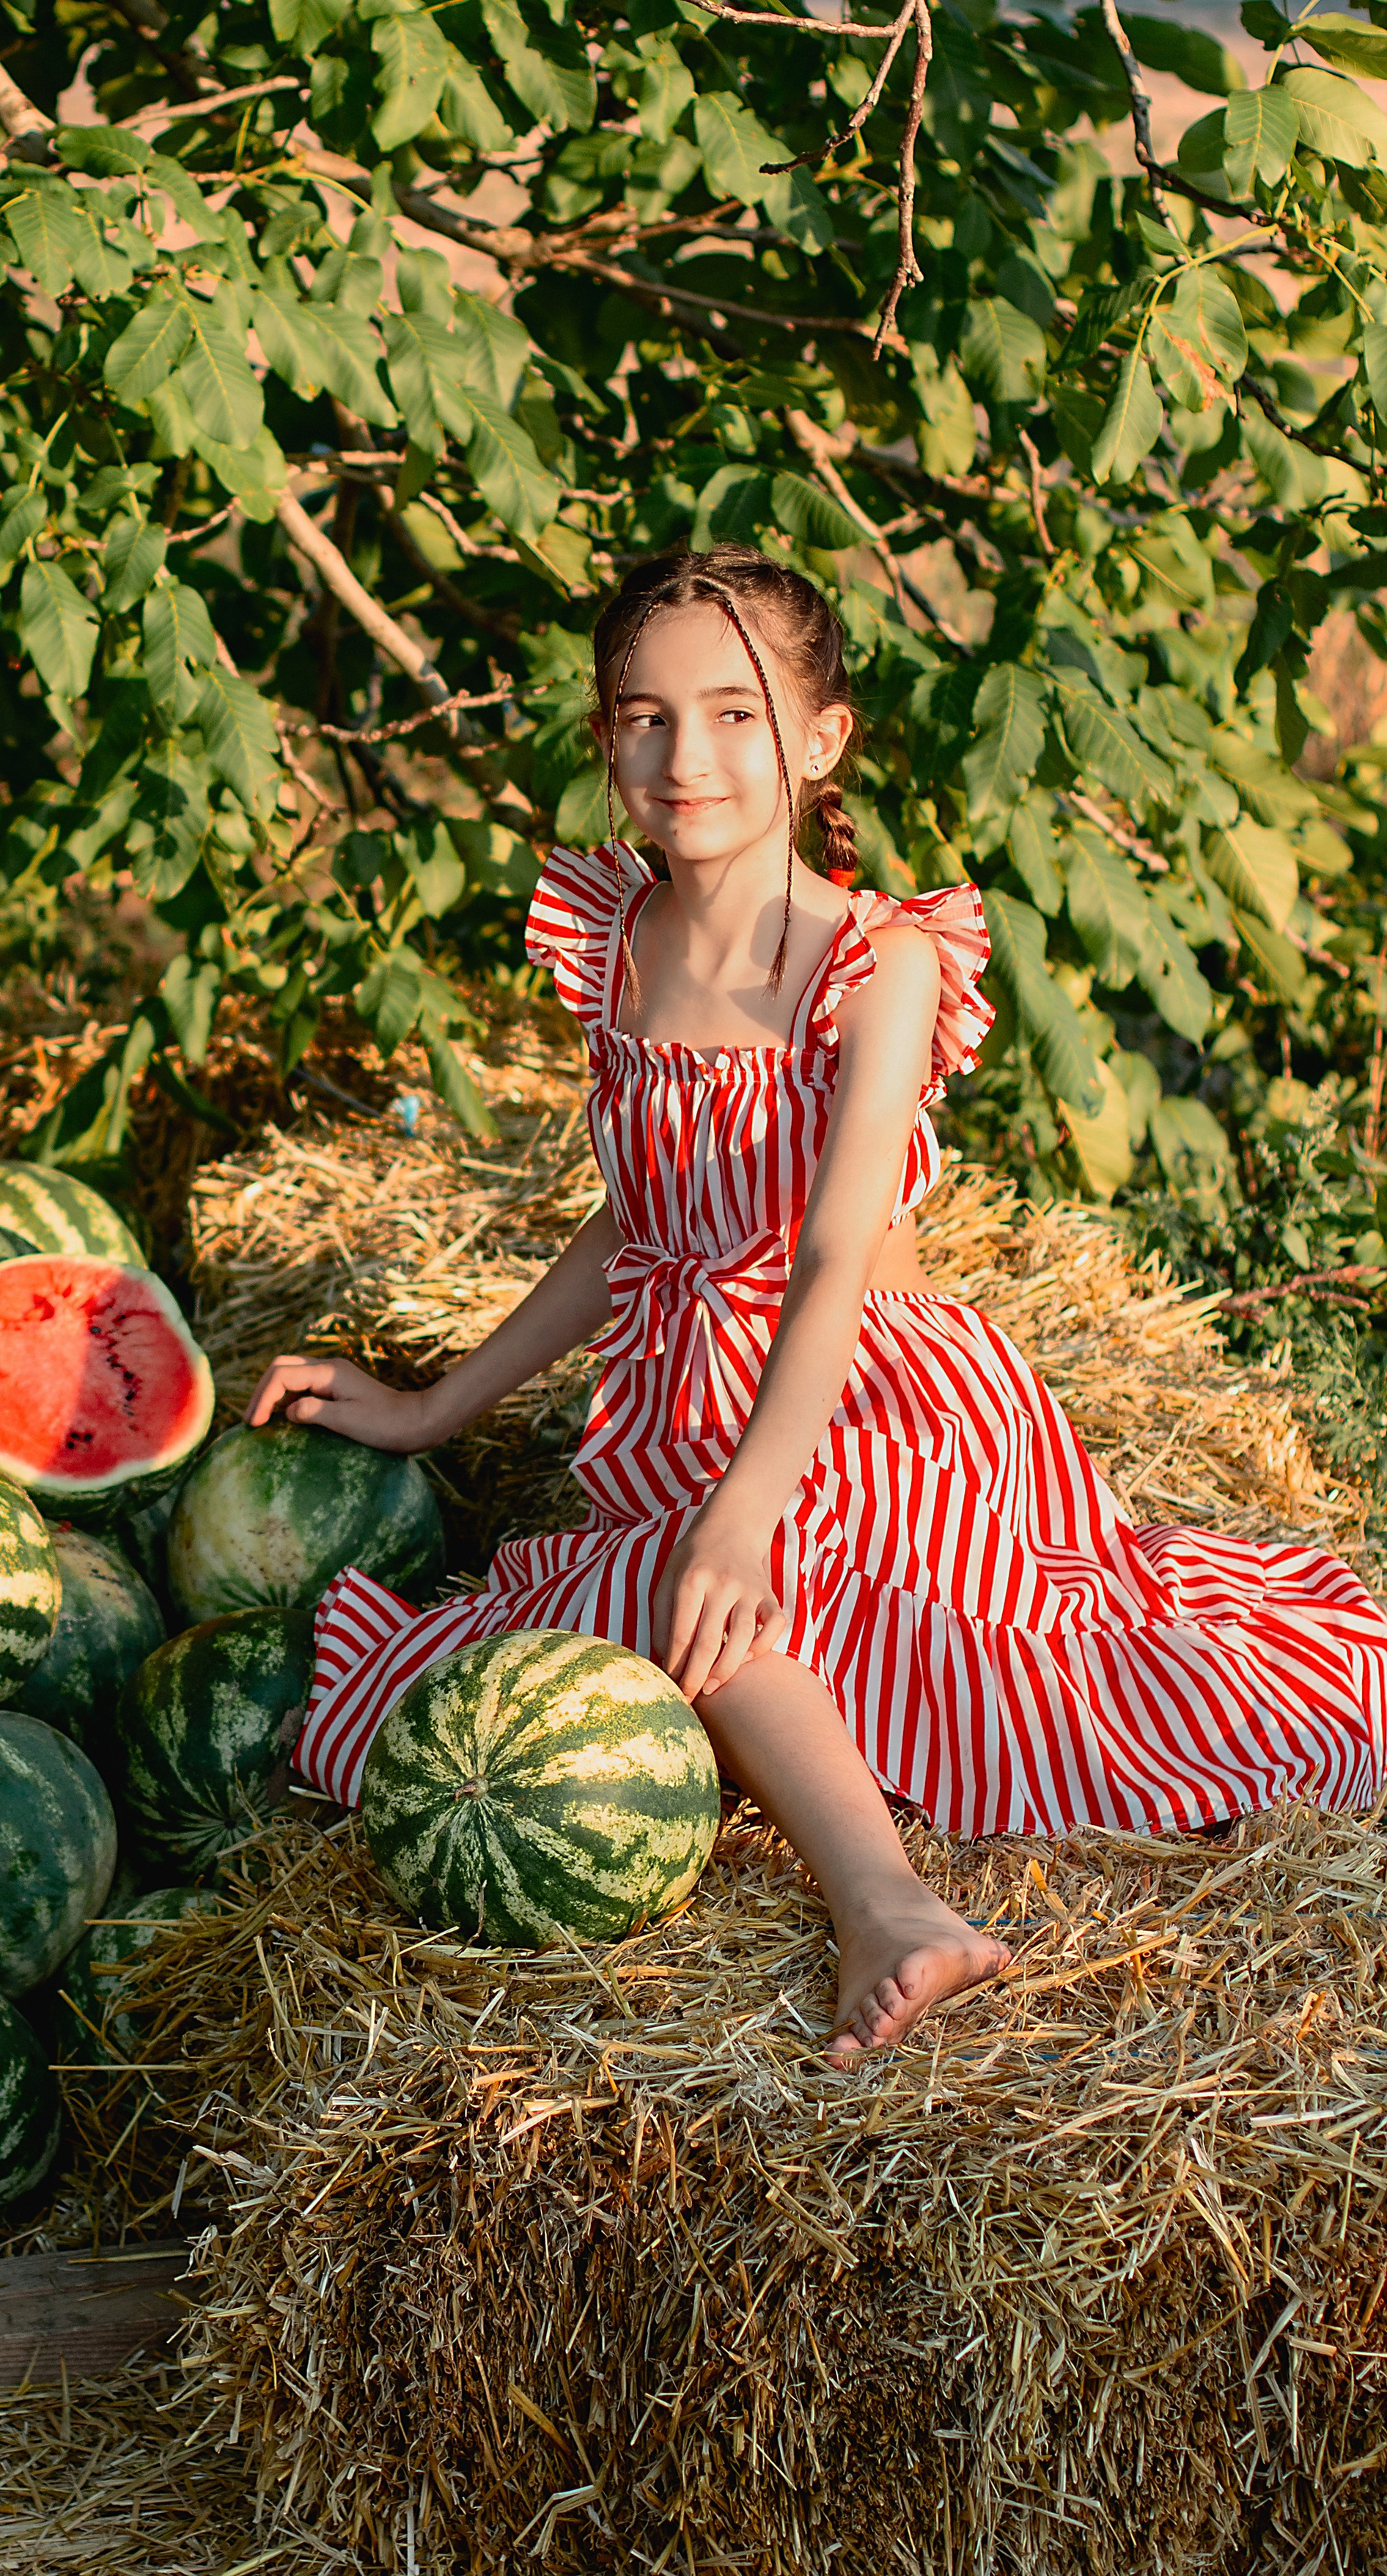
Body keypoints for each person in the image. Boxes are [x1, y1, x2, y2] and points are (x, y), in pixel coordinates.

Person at [245, 542, 1387, 2062]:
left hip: (870, 1398)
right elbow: (637, 1219)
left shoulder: (877, 961)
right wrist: (433, 1402)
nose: (686, 755)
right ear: (604, 741)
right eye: (643, 717)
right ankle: (815, 1745)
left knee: (714, 1586)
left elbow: (837, 1254)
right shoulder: (617, 940)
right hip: (682, 1407)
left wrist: (744, 1505)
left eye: (735, 713)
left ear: (821, 739)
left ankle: (889, 1907)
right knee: (656, 1596)